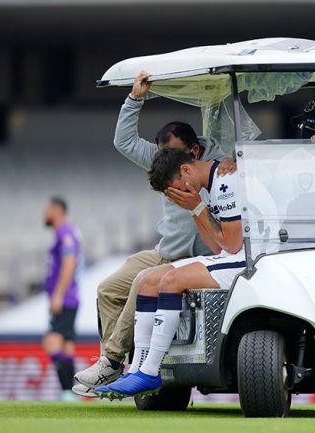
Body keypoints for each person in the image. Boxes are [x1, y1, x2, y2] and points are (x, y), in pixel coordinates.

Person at [73, 71, 234, 393]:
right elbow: (123, 141)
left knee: (139, 283)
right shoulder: (163, 159)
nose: (163, 163)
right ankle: (113, 363)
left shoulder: (222, 167)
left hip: (205, 256)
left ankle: (113, 360)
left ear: (193, 153)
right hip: (167, 250)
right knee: (108, 288)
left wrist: (237, 161)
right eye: (161, 155)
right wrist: (135, 98)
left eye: (171, 155)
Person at [94, 148, 245, 398]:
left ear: (186, 169)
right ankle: (137, 369)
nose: (178, 194)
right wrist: (195, 209)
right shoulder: (208, 185)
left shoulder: (226, 182)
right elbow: (217, 246)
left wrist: (197, 206)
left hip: (253, 258)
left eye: (176, 188)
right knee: (147, 279)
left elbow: (230, 244)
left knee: (170, 280)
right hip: (232, 254)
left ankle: (151, 371)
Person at [43, 196, 84, 402]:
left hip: (65, 298)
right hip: (70, 298)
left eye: (47, 208)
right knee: (67, 345)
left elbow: (69, 264)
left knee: (51, 342)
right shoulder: (67, 232)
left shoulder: (65, 232)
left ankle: (67, 390)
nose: (44, 212)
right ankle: (70, 391)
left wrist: (58, 295)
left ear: (57, 210)